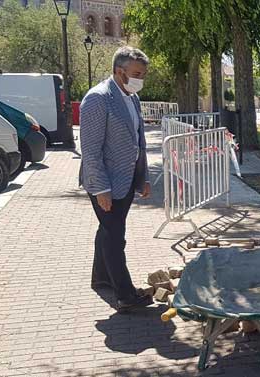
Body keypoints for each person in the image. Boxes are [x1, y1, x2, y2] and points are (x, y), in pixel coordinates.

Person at [79, 46, 154, 313]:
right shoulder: (98, 99)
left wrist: (142, 177)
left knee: (109, 230)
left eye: (143, 74)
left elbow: (139, 142)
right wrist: (101, 189)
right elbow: (90, 150)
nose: (140, 79)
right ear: (118, 71)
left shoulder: (132, 97)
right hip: (105, 184)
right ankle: (125, 295)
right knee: (115, 236)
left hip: (127, 180)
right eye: (136, 74)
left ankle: (100, 277)